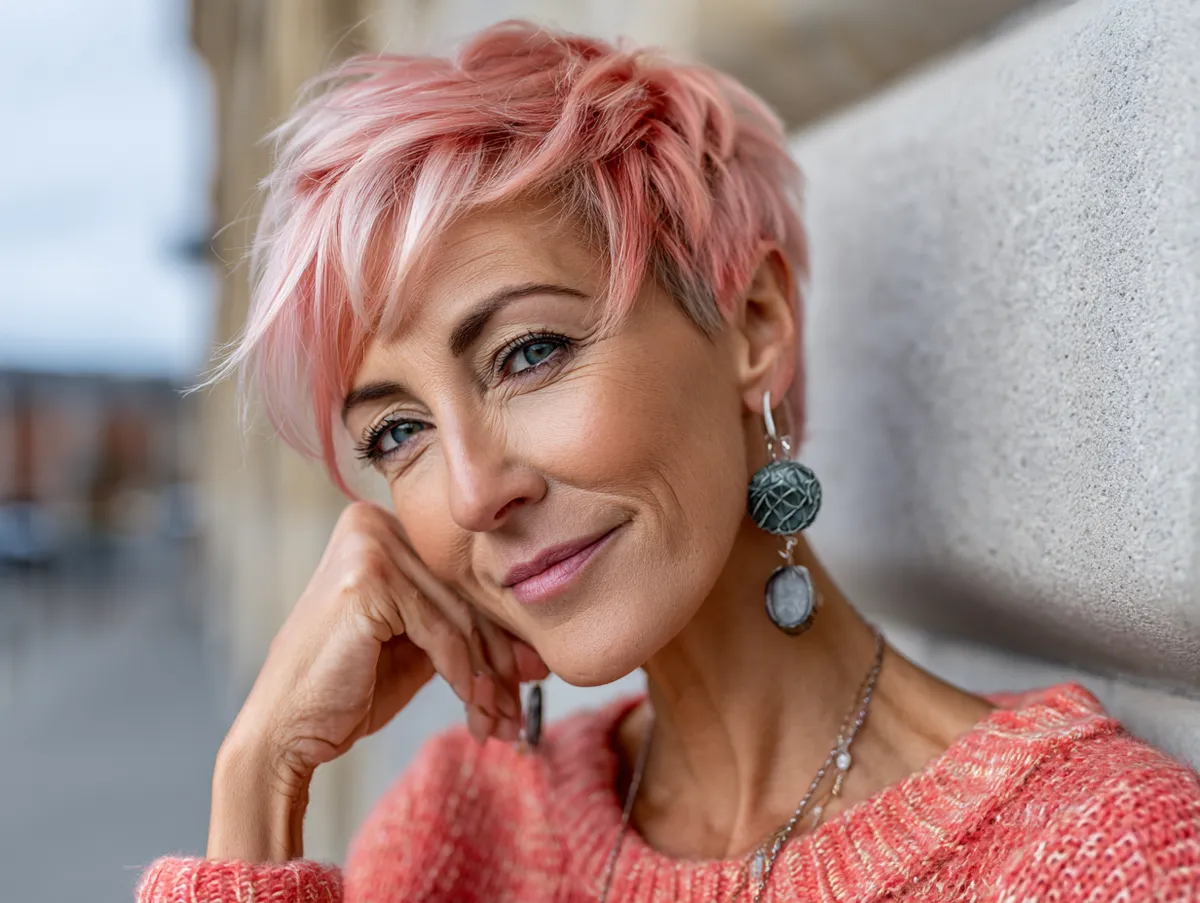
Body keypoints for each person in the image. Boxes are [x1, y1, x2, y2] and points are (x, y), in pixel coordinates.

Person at [137, 20, 1200, 903]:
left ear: (753, 323)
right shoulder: (461, 831)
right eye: (398, 432)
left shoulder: (1099, 857)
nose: (471, 492)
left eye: (528, 354)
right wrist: (258, 779)